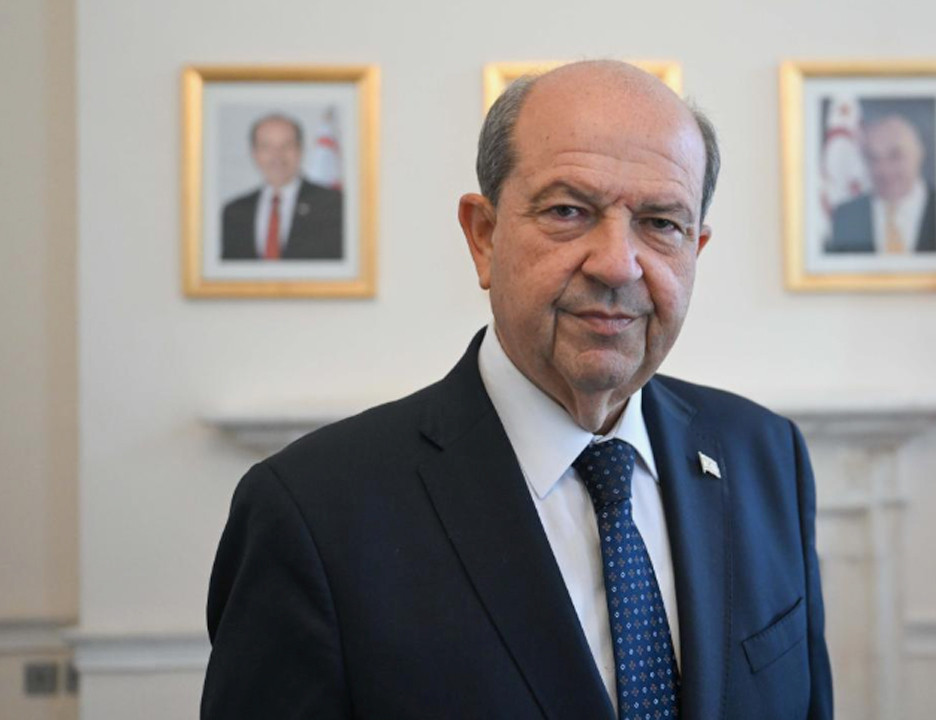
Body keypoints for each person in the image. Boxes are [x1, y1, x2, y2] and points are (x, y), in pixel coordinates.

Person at [202, 61, 832, 719]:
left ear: (695, 250)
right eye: (568, 211)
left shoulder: (766, 456)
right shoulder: (312, 513)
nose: (617, 264)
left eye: (660, 223)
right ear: (484, 236)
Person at [220, 113, 344, 260]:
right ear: (254, 153)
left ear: (300, 150)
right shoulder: (234, 212)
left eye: (287, 145)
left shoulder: (334, 205)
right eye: (267, 147)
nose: (277, 156)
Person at [826, 113, 936, 254]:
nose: (884, 170)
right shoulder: (846, 216)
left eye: (895, 155)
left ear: (919, 153)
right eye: (873, 158)